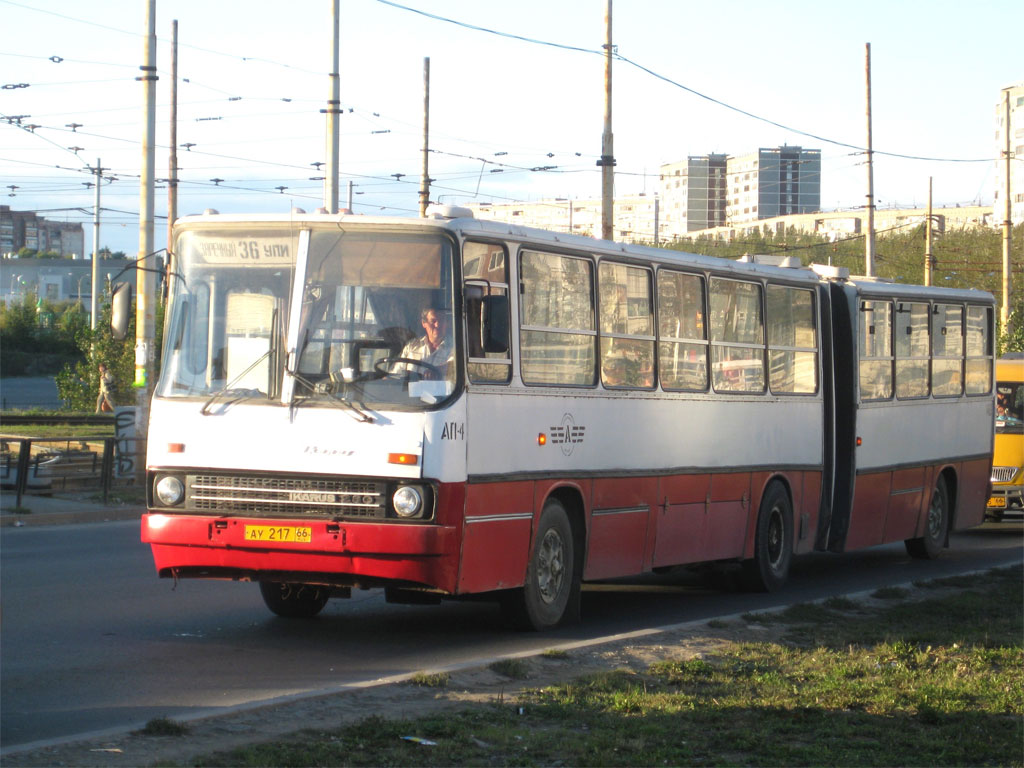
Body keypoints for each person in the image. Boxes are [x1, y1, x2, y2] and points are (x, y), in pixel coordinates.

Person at [394, 307, 454, 377]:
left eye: (441, 321)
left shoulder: (455, 347)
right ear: (424, 323)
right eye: (433, 321)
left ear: (446, 323)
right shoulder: (411, 346)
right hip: (409, 388)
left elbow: (455, 365)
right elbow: (395, 373)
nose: (437, 325)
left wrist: (438, 370)